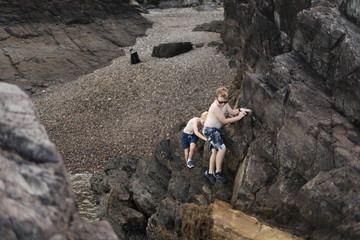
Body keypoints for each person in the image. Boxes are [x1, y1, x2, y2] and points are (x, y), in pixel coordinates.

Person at [203, 87, 252, 184]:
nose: (222, 104)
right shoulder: (214, 107)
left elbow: (232, 112)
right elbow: (224, 121)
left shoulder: (224, 104)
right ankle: (218, 172)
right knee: (222, 149)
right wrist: (239, 117)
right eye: (220, 102)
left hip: (215, 130)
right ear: (216, 98)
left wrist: (240, 110)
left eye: (225, 102)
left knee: (214, 151)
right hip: (209, 130)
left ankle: (209, 173)